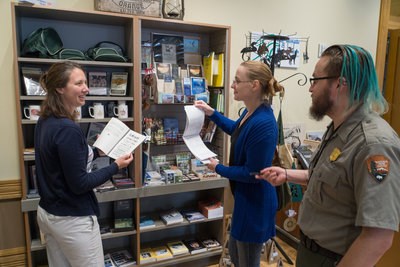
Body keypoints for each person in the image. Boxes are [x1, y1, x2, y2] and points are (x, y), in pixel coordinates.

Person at [257, 44, 400, 267]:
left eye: (315, 80)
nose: (310, 89)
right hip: (309, 251)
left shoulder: (373, 144)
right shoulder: (338, 128)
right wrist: (287, 174)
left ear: (339, 83)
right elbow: (329, 180)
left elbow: (378, 238)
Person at [34, 61, 133, 267]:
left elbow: (60, 164)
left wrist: (96, 152)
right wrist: (116, 166)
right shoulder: (67, 128)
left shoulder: (45, 120)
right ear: (60, 88)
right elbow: (80, 183)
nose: (86, 88)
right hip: (72, 220)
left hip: (48, 214)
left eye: (85, 82)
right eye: (79, 83)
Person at [195, 60, 284, 267]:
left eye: (237, 81)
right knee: (236, 253)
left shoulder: (263, 123)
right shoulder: (249, 113)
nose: (233, 85)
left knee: (247, 260)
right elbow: (236, 129)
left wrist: (218, 168)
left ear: (254, 85)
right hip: (245, 200)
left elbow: (253, 174)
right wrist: (212, 113)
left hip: (256, 204)